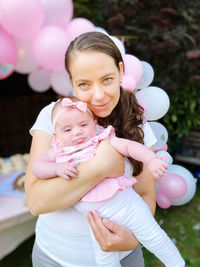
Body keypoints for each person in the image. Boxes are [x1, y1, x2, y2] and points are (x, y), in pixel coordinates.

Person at [25, 31, 182, 267]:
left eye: (107, 79)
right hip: (54, 258)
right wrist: (101, 166)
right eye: (84, 84)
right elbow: (36, 202)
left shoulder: (136, 122)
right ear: (71, 82)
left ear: (121, 70)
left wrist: (131, 241)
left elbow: (147, 194)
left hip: (124, 257)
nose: (98, 96)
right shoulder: (56, 118)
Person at [31, 96, 184, 267]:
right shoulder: (58, 152)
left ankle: (177, 264)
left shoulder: (102, 139)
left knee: (155, 237)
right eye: (67, 130)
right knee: (105, 261)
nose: (77, 132)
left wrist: (151, 160)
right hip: (98, 222)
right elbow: (37, 167)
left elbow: (130, 147)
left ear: (94, 122)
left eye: (83, 125)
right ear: (55, 135)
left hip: (127, 205)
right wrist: (56, 169)